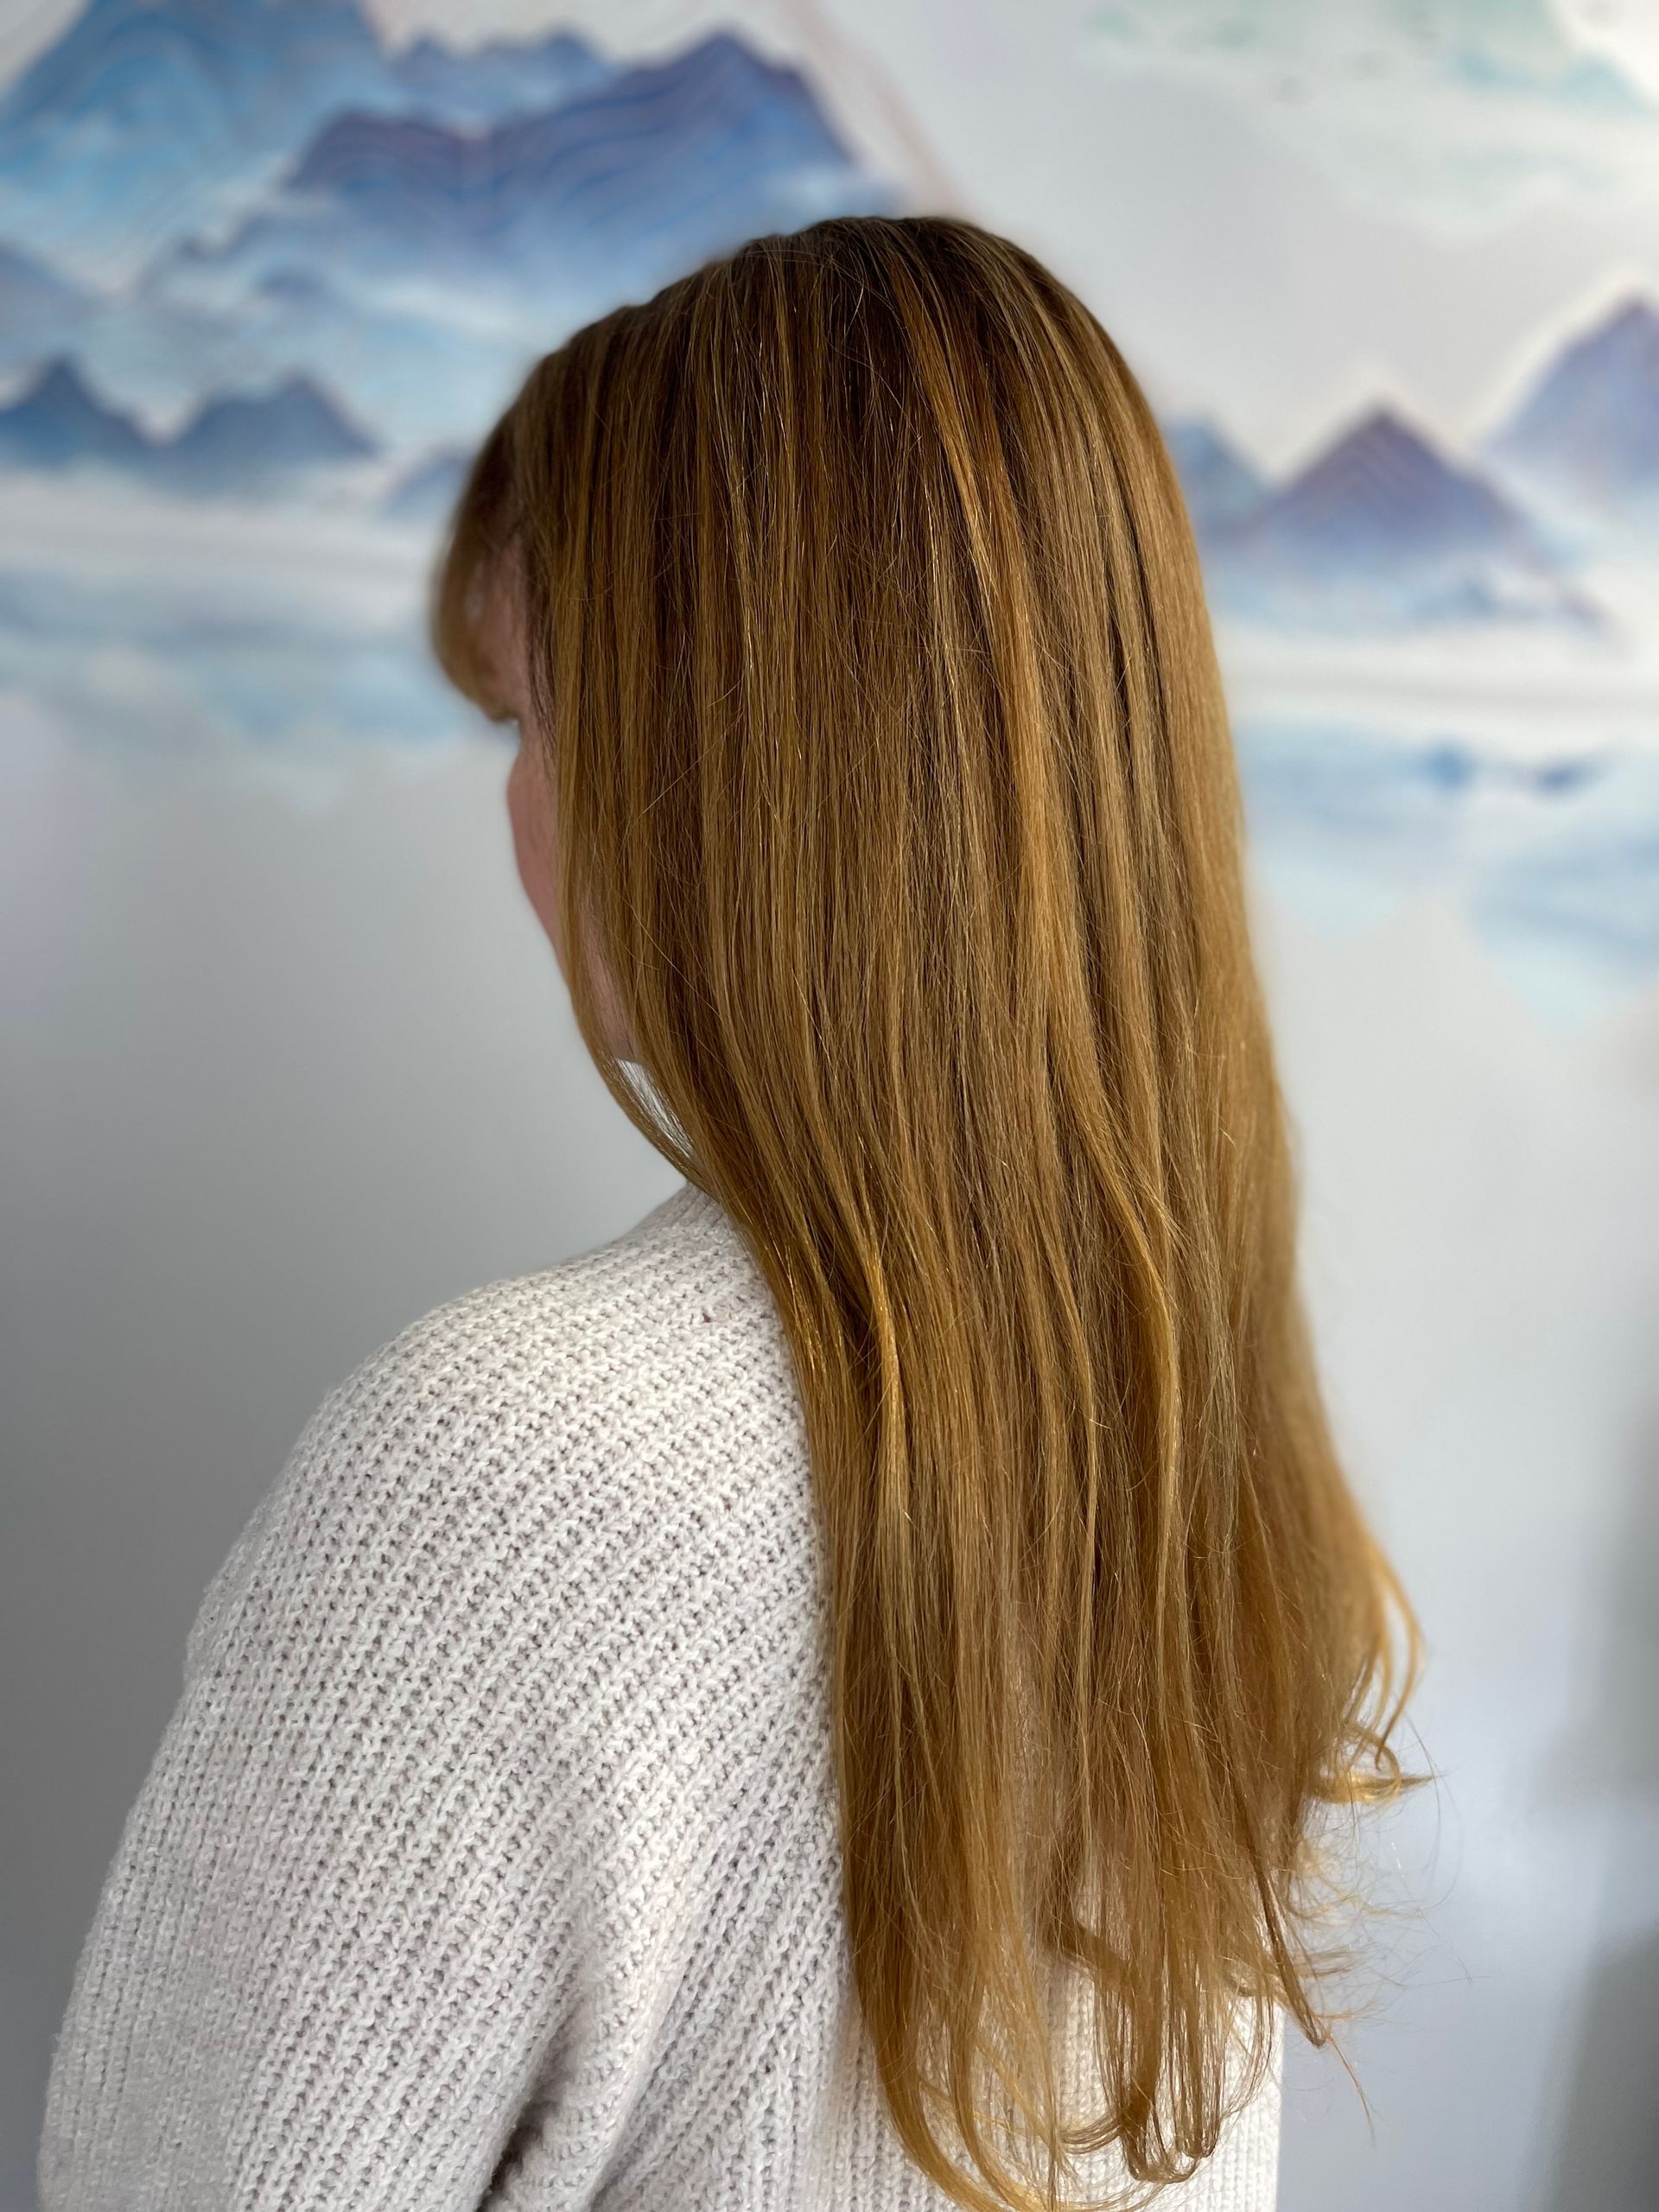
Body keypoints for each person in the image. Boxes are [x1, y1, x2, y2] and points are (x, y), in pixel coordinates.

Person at [38, 213, 1420, 2212]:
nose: (518, 810)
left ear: (724, 767)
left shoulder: (495, 1466)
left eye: (535, 717)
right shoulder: (1202, 1458)